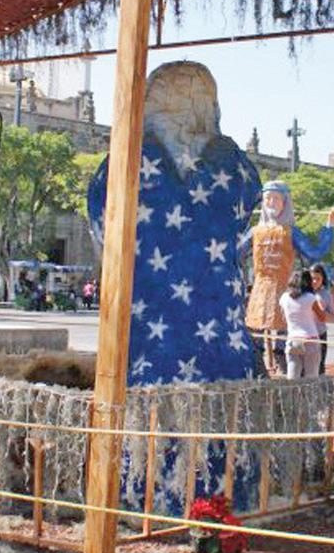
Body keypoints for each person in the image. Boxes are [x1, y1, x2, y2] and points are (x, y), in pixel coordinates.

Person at [86, 61, 263, 385]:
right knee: (225, 402)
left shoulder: (123, 158)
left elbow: (101, 225)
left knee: (142, 402)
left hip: (144, 336)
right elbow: (243, 220)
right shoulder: (236, 165)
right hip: (221, 334)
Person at [244, 181, 334, 375]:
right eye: (268, 198)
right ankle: (258, 374)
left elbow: (314, 252)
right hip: (259, 293)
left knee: (284, 337)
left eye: (276, 198)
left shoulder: (291, 232)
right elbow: (234, 253)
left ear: (285, 203)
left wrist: (329, 225)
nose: (271, 202)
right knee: (254, 338)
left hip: (285, 292)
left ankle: (286, 375)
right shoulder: (255, 232)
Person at [279, 270, 328, 378]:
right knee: (311, 377)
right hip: (310, 339)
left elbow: (283, 318)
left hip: (292, 340)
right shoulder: (310, 298)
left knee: (292, 377)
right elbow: (322, 317)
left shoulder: (284, 297)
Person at [309, 263, 334, 374]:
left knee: (319, 366)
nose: (314, 281)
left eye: (318, 279)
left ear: (323, 279)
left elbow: (333, 317)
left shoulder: (326, 295)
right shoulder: (301, 293)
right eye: (312, 278)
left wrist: (322, 314)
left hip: (320, 333)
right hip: (303, 335)